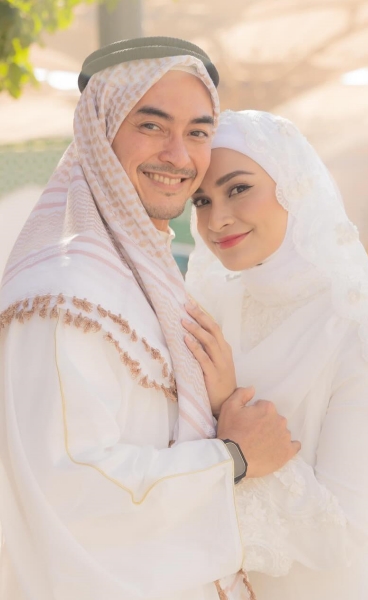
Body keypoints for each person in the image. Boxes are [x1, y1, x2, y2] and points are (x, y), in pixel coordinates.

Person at [0, 38, 299, 600]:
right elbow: (70, 488)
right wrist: (232, 459)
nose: (180, 157)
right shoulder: (65, 291)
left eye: (198, 132)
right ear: (99, 130)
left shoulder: (142, 277)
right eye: (152, 126)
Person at [183, 110, 368, 598]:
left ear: (294, 187)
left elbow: (347, 528)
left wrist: (227, 408)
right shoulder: (209, 306)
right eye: (201, 199)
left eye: (238, 188)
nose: (216, 219)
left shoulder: (354, 325)